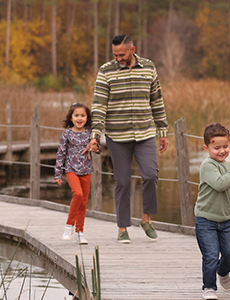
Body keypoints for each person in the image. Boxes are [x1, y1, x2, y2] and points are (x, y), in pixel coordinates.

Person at [85, 34, 169, 244]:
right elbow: (99, 105)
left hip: (145, 133)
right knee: (122, 182)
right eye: (115, 54)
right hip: (117, 135)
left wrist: (162, 129)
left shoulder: (149, 67)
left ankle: (147, 220)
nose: (118, 58)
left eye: (122, 54)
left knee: (150, 175)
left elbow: (156, 99)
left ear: (132, 50)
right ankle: (122, 228)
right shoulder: (106, 71)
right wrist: (95, 136)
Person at [195, 123, 230, 300]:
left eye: (225, 146)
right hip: (206, 219)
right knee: (210, 255)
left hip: (226, 220)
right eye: (216, 147)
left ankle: (223, 272)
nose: (222, 151)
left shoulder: (229, 166)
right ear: (206, 148)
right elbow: (219, 184)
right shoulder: (207, 165)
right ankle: (209, 287)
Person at [54, 103, 97, 245]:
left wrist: (94, 147)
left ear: (87, 117)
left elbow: (99, 148)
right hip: (71, 169)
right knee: (77, 194)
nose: (80, 118)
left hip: (86, 170)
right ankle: (68, 226)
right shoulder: (67, 134)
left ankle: (80, 233)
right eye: (76, 115)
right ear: (71, 118)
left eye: (83, 115)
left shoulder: (90, 133)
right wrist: (58, 174)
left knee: (83, 203)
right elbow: (61, 154)